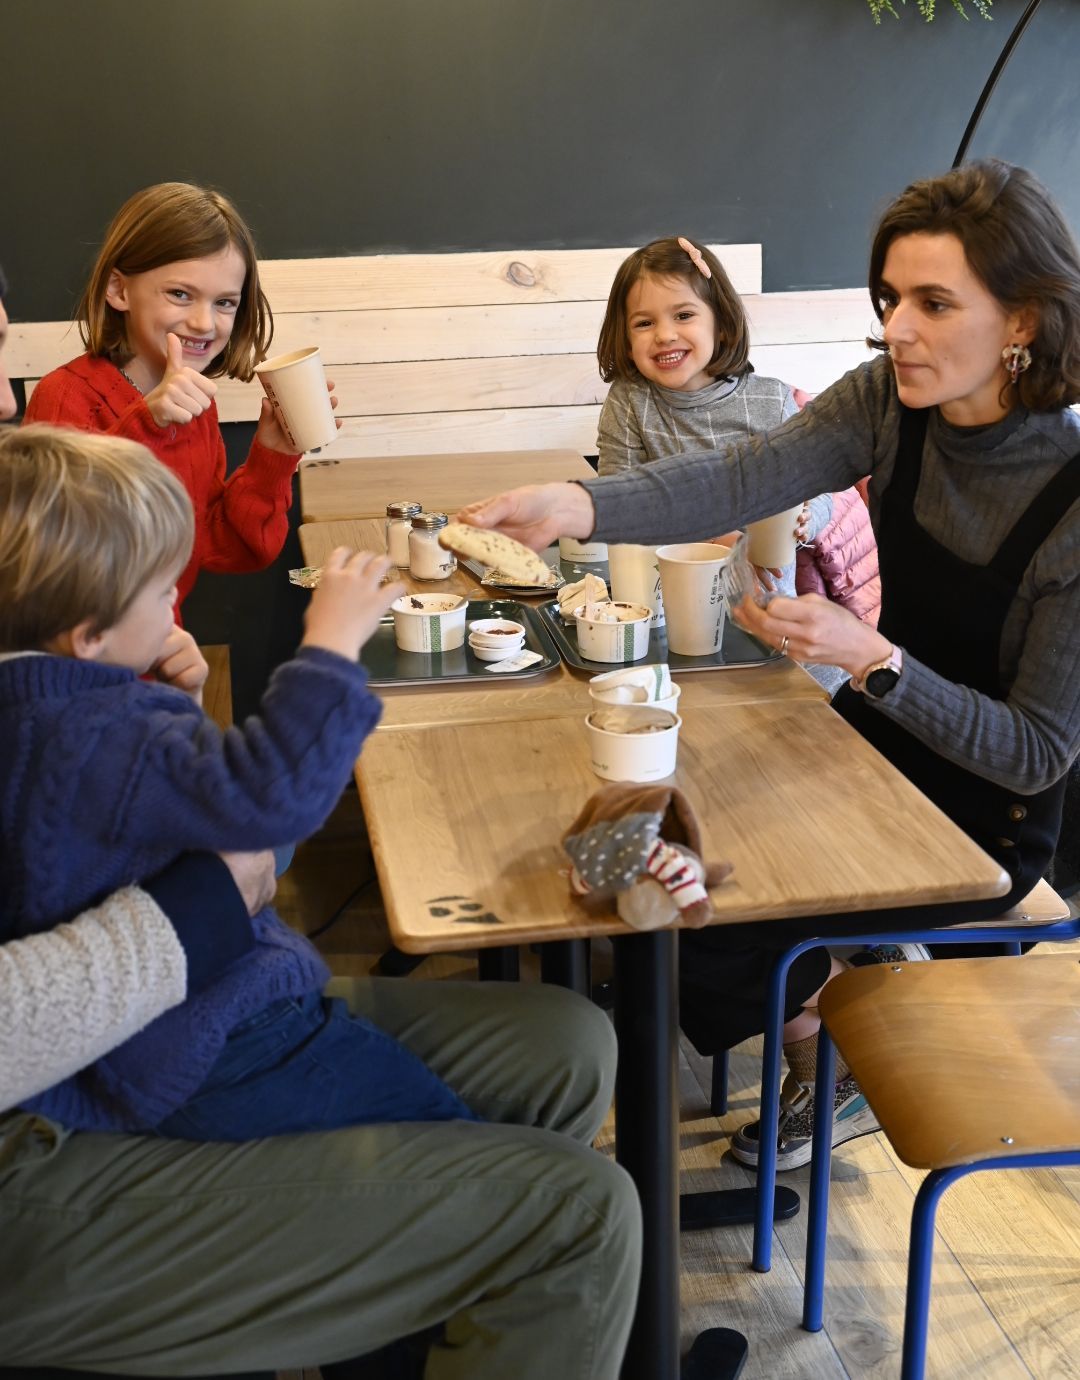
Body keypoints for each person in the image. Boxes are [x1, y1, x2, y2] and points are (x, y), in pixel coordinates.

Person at [0, 338, 639, 1380]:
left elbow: (99, 826)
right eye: (165, 596)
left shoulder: (44, 706)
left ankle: (409, 1329)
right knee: (541, 1182)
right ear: (82, 632)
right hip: (205, 1040)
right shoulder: (100, 727)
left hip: (137, 1032)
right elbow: (271, 801)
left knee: (566, 1045)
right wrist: (329, 650)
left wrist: (151, 700)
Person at [458, 159, 1080, 1169]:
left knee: (704, 894)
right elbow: (745, 474)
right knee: (658, 825)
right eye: (890, 299)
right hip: (872, 757)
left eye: (933, 303)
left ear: (1023, 321)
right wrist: (577, 505)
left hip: (980, 822)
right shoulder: (891, 398)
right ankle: (807, 1009)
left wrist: (876, 660)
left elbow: (1037, 756)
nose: (899, 328)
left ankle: (827, 1064)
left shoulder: (1070, 496)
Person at [23, 181, 314, 613]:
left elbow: (220, 546)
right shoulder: (64, 397)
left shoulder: (196, 406)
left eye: (225, 303)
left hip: (158, 644)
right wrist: (149, 425)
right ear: (119, 291)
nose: (203, 322)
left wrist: (272, 456)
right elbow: (63, 566)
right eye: (180, 294)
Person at [595, 232, 844, 690]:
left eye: (684, 315)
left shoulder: (771, 402)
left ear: (721, 323)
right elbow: (617, 504)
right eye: (643, 323)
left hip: (766, 619)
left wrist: (806, 518)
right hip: (660, 614)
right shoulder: (631, 402)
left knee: (831, 697)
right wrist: (714, 533)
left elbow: (821, 492)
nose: (665, 335)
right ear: (624, 336)